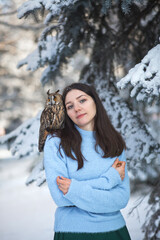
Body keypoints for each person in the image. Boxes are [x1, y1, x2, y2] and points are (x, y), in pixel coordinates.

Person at [44, 82, 131, 240]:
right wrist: (110, 179)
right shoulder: (56, 142)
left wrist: (74, 189)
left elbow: (121, 198)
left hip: (115, 231)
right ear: (66, 113)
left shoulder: (115, 141)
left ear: (95, 102)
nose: (76, 108)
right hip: (73, 233)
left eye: (82, 100)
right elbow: (60, 197)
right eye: (70, 106)